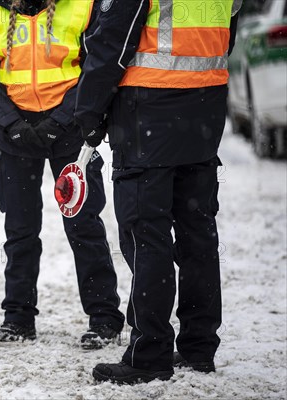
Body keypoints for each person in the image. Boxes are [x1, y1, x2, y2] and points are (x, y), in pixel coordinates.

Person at [74, 0, 242, 384]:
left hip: (146, 114)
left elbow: (112, 42)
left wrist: (88, 113)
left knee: (146, 236)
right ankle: (199, 347)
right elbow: (226, 34)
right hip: (205, 108)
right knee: (197, 234)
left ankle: (149, 354)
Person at [0, 0, 125, 347]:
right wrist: (12, 124)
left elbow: (95, 68)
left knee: (84, 227)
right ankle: (18, 318)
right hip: (14, 135)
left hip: (69, 132)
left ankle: (104, 319)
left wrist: (63, 120)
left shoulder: (83, 6)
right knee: (20, 231)